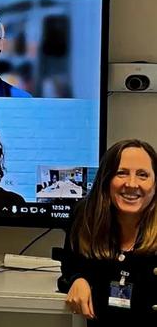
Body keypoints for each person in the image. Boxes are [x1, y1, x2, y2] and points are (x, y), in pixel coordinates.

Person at [58, 139, 157, 325]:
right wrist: (77, 279)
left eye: (143, 175)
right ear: (106, 179)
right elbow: (70, 262)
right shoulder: (85, 216)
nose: (132, 184)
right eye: (121, 173)